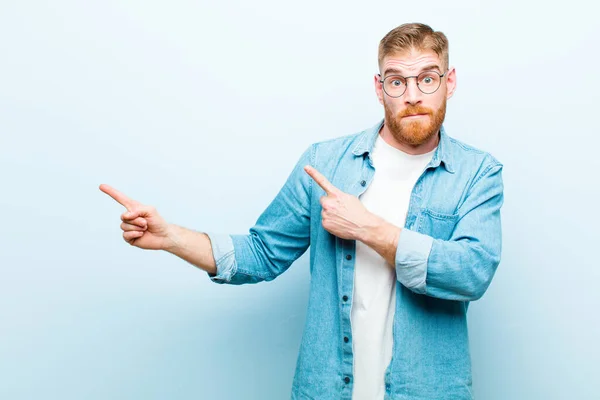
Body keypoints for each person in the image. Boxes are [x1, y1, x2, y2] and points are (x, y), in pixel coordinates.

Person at [100, 22, 503, 400]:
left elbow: (472, 272)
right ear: (380, 89)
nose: (413, 95)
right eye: (398, 81)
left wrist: (369, 228)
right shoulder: (325, 163)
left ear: (449, 83)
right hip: (327, 388)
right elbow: (261, 254)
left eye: (427, 79)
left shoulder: (477, 173)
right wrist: (170, 237)